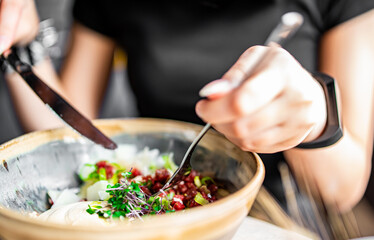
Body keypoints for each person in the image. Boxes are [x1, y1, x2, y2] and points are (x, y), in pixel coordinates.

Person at [1, 0, 374, 213]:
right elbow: (71, 139)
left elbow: (341, 191)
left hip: (281, 213)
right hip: (150, 212)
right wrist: (22, 47)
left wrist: (314, 122)